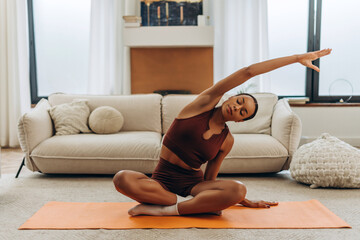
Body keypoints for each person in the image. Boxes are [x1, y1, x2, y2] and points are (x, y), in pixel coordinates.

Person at [113, 48, 332, 216]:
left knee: (238, 189)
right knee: (121, 178)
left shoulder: (227, 140)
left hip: (192, 185)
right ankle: (181, 204)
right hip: (160, 182)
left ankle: (165, 209)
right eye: (238, 101)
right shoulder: (202, 105)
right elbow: (248, 72)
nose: (237, 107)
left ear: (240, 119)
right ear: (230, 97)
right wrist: (295, 59)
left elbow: (210, 180)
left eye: (242, 111)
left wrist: (240, 200)